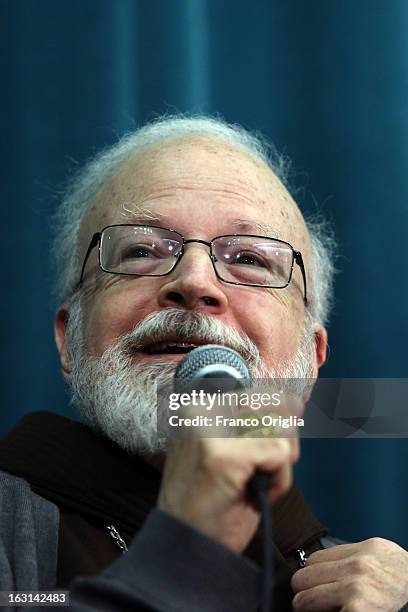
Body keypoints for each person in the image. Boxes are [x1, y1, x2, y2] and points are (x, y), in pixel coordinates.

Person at [0, 115, 407, 611]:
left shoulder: (368, 585)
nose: (195, 282)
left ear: (312, 358)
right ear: (70, 338)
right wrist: (185, 553)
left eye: (250, 260)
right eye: (142, 250)